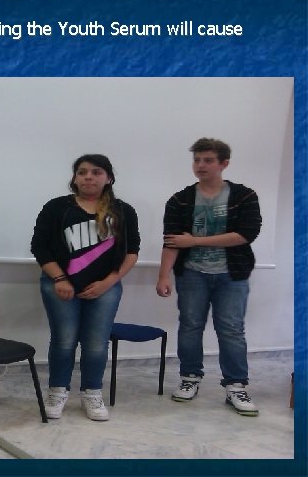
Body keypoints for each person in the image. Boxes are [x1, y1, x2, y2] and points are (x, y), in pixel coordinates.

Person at [156, 138, 261, 416]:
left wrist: (194, 241)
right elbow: (172, 241)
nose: (200, 165)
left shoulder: (244, 196)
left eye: (208, 160)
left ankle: (236, 385)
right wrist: (163, 275)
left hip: (232, 275)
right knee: (190, 326)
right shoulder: (180, 200)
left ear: (223, 163)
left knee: (231, 329)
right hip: (192, 274)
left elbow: (245, 235)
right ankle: (190, 378)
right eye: (197, 160)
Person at [30, 154, 140, 421]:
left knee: (96, 344)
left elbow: (132, 251)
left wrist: (108, 283)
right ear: (75, 178)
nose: (88, 177)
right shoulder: (57, 207)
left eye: (96, 172)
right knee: (64, 340)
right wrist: (60, 279)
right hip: (59, 285)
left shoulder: (123, 211)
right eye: (82, 172)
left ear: (108, 178)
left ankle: (92, 393)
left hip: (106, 287)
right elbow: (40, 247)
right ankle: (57, 391)